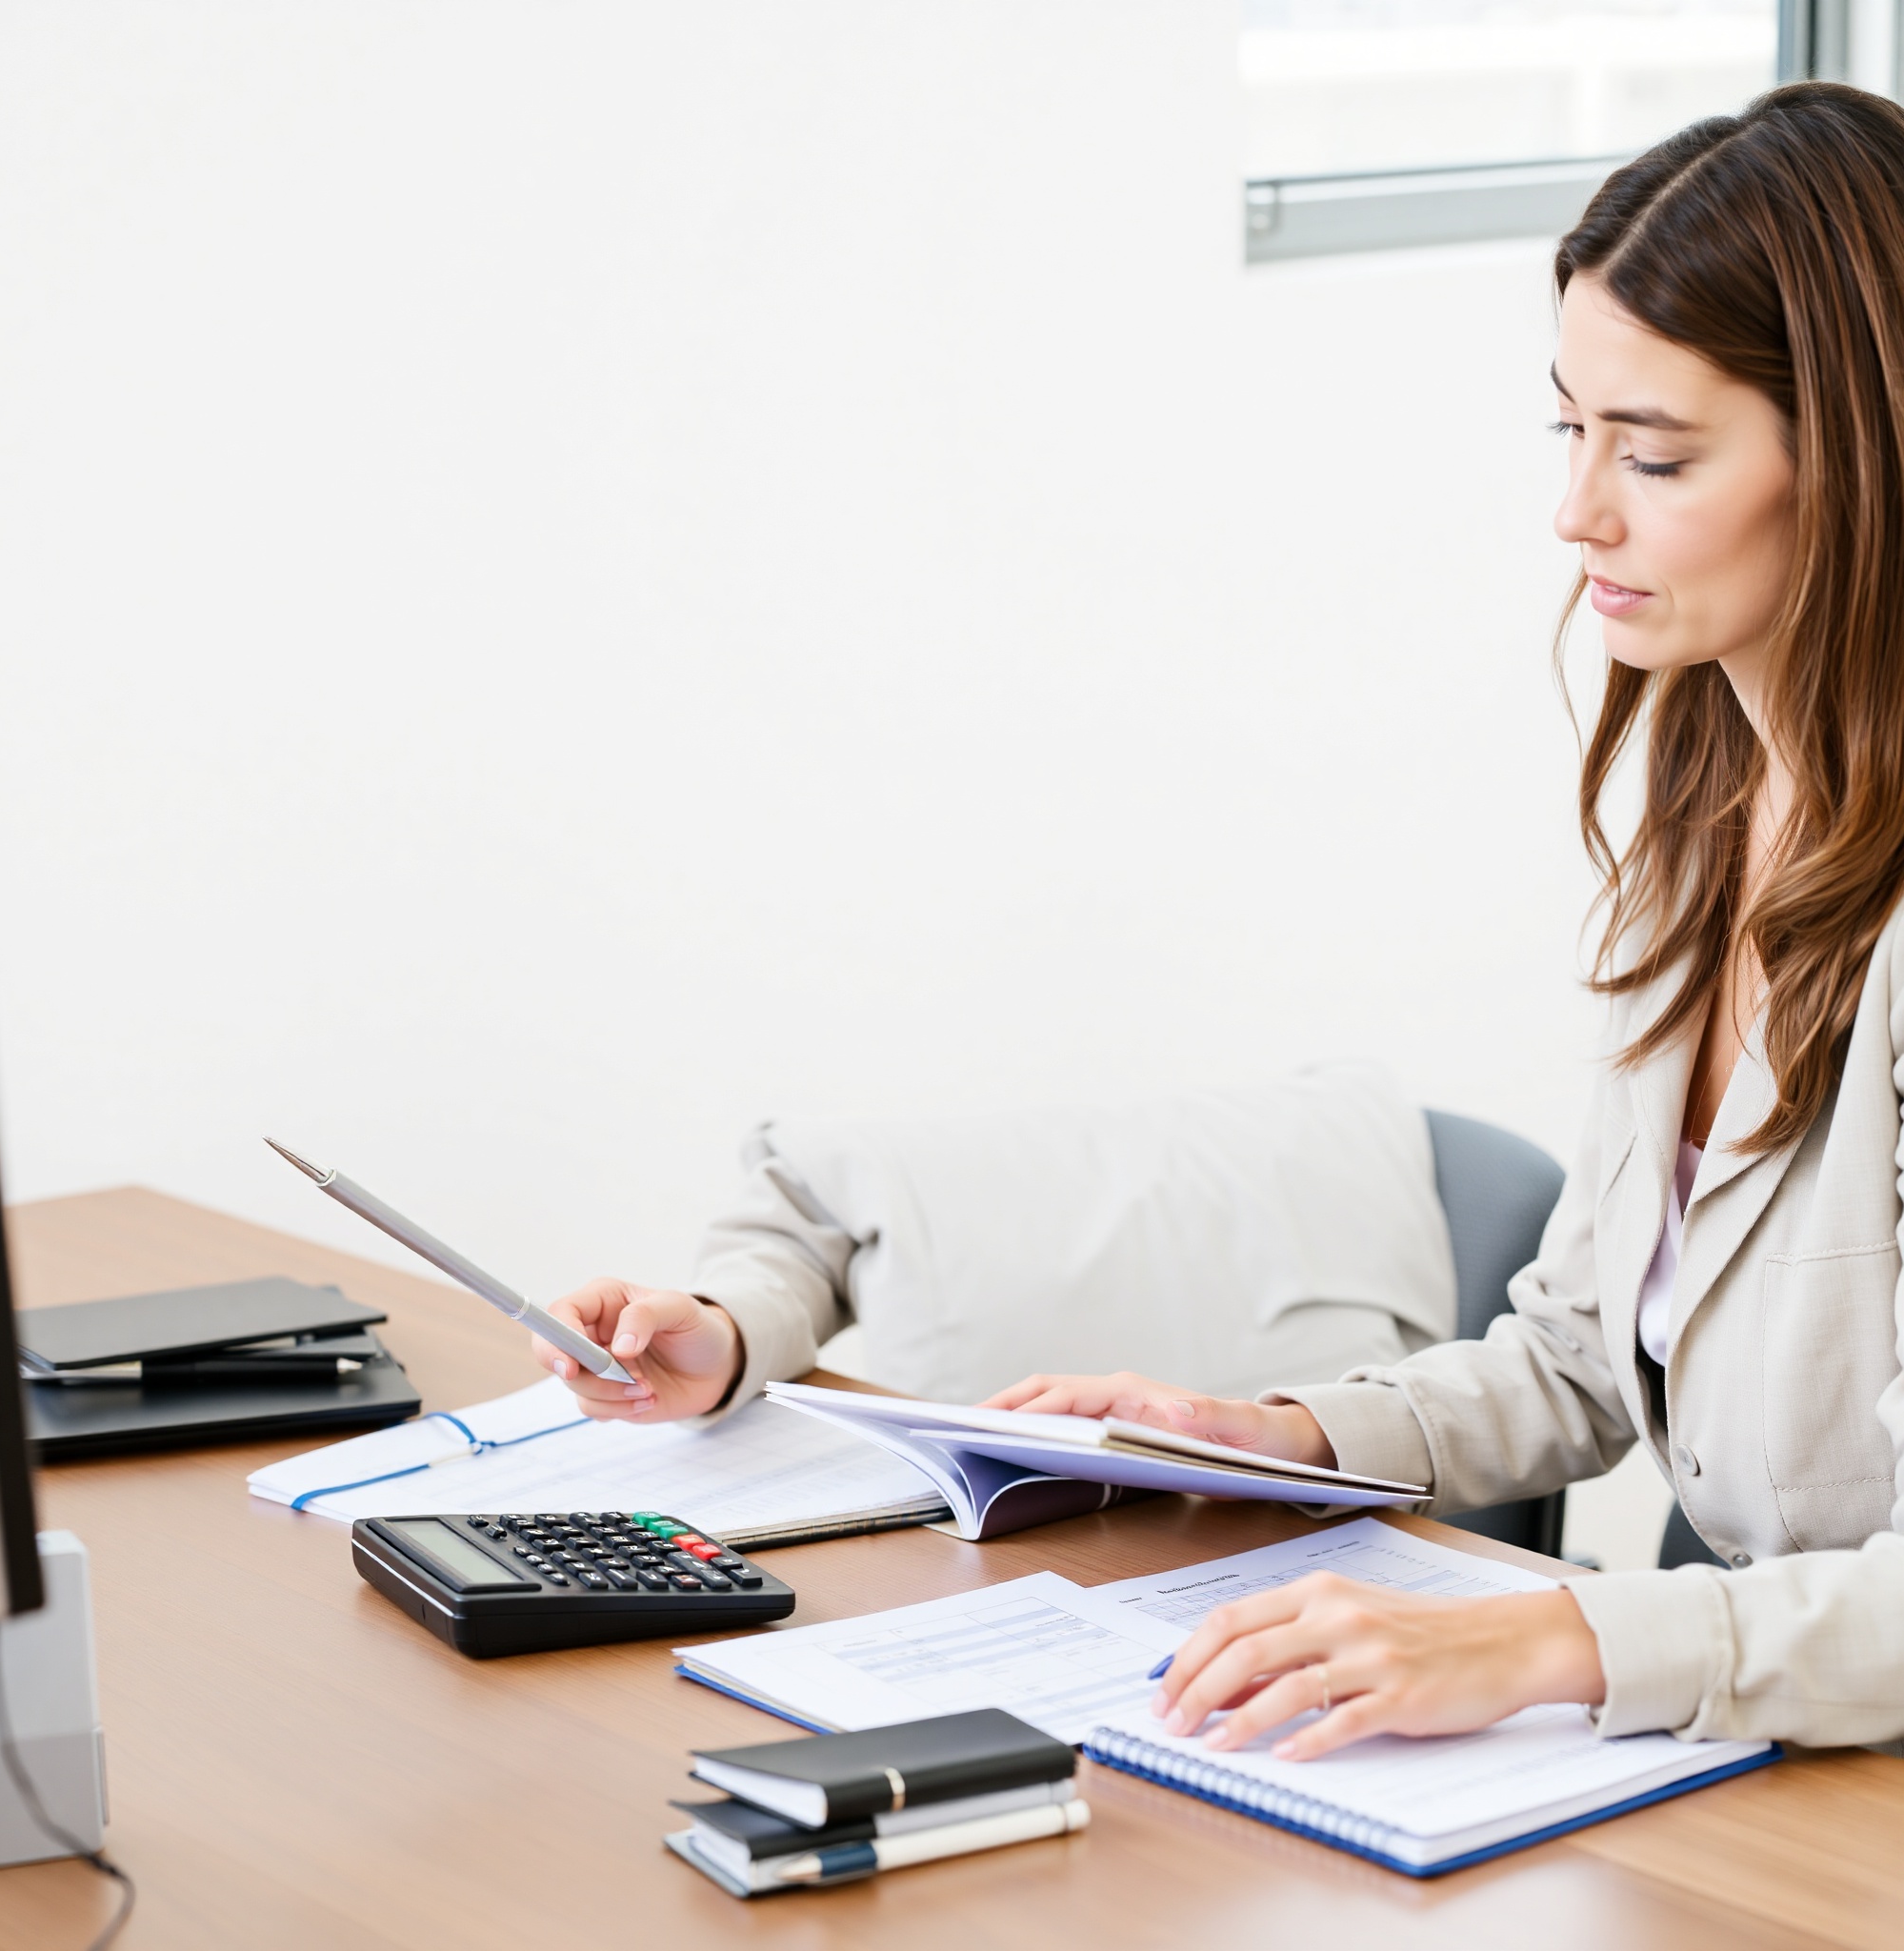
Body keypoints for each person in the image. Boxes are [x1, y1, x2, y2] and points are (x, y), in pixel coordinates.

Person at [537, 80, 1904, 1758]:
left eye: (1657, 453)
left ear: (1858, 461)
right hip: (1767, 1754)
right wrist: (1254, 1433)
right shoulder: (1711, 810)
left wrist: (1535, 1643)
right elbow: (1584, 1358)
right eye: (1571, 430)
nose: (1578, 513)